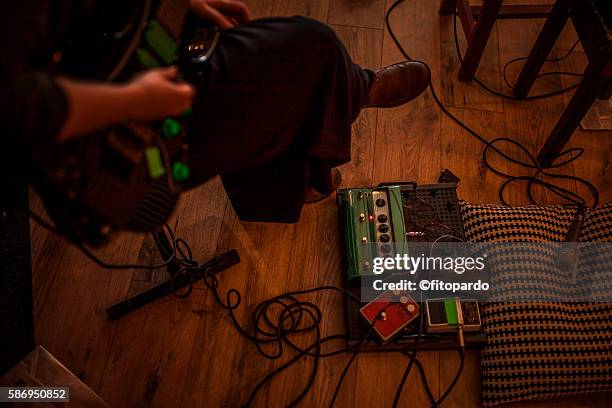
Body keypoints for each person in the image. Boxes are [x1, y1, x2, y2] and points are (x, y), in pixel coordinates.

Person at [1, 0, 430, 226]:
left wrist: (174, 5)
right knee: (310, 52)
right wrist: (134, 102)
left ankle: (307, 167)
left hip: (109, 56)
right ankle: (358, 91)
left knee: (290, 53)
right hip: (107, 147)